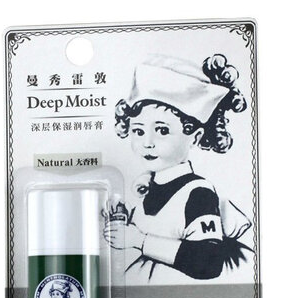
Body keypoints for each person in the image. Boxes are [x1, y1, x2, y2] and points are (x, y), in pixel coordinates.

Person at [103, 54, 252, 282]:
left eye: (162, 130)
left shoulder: (198, 193)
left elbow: (209, 263)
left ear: (195, 136)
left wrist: (138, 240)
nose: (147, 142)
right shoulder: (146, 189)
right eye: (138, 131)